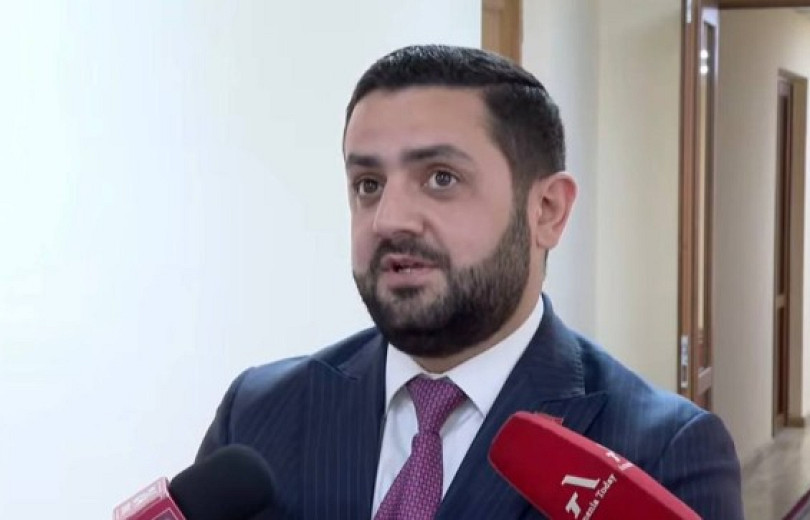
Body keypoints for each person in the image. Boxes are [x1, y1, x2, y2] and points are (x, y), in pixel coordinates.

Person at [197, 45, 743, 519]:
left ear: (547, 210)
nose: (388, 219)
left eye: (441, 178)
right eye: (368, 184)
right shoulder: (259, 412)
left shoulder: (662, 454)